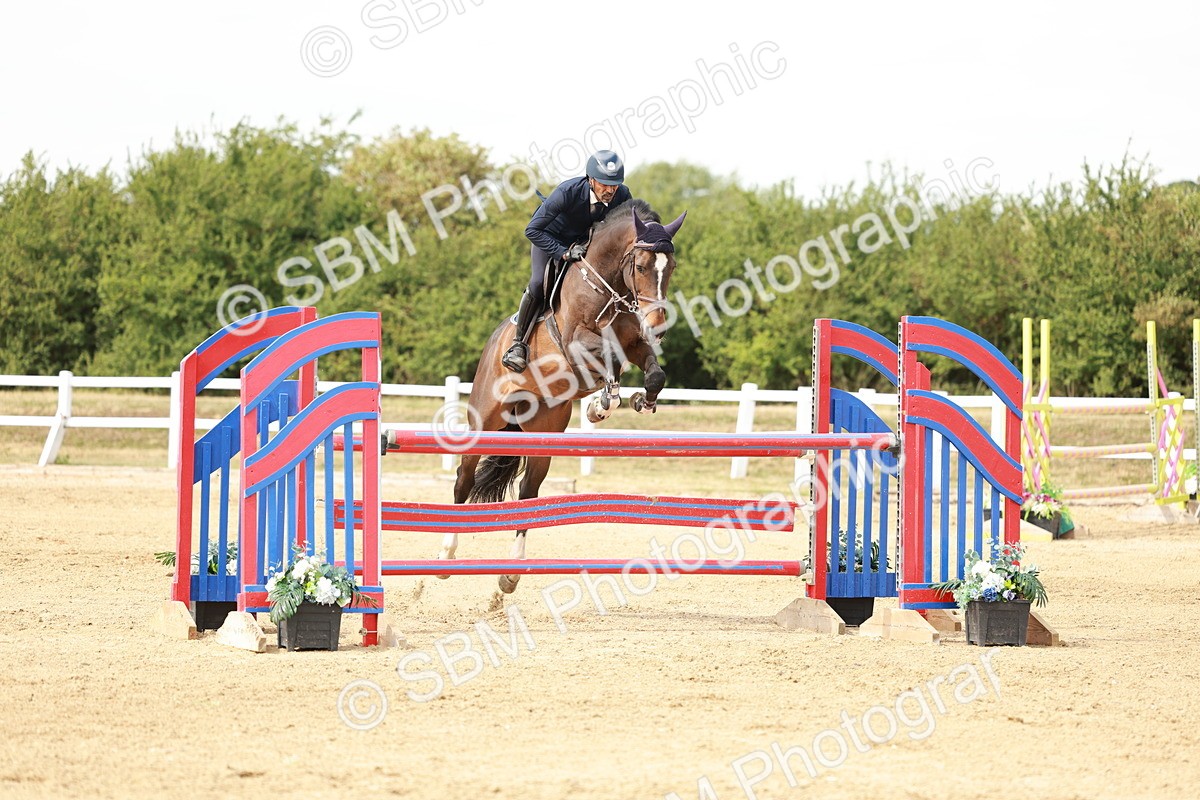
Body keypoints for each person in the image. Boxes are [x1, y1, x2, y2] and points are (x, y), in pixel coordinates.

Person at [501, 149, 633, 372]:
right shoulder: (567, 192)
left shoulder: (622, 195)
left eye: (615, 184)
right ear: (591, 180)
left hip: (585, 243)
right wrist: (563, 253)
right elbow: (532, 230)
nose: (610, 190)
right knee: (537, 284)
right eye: (604, 184)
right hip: (551, 239)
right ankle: (518, 344)